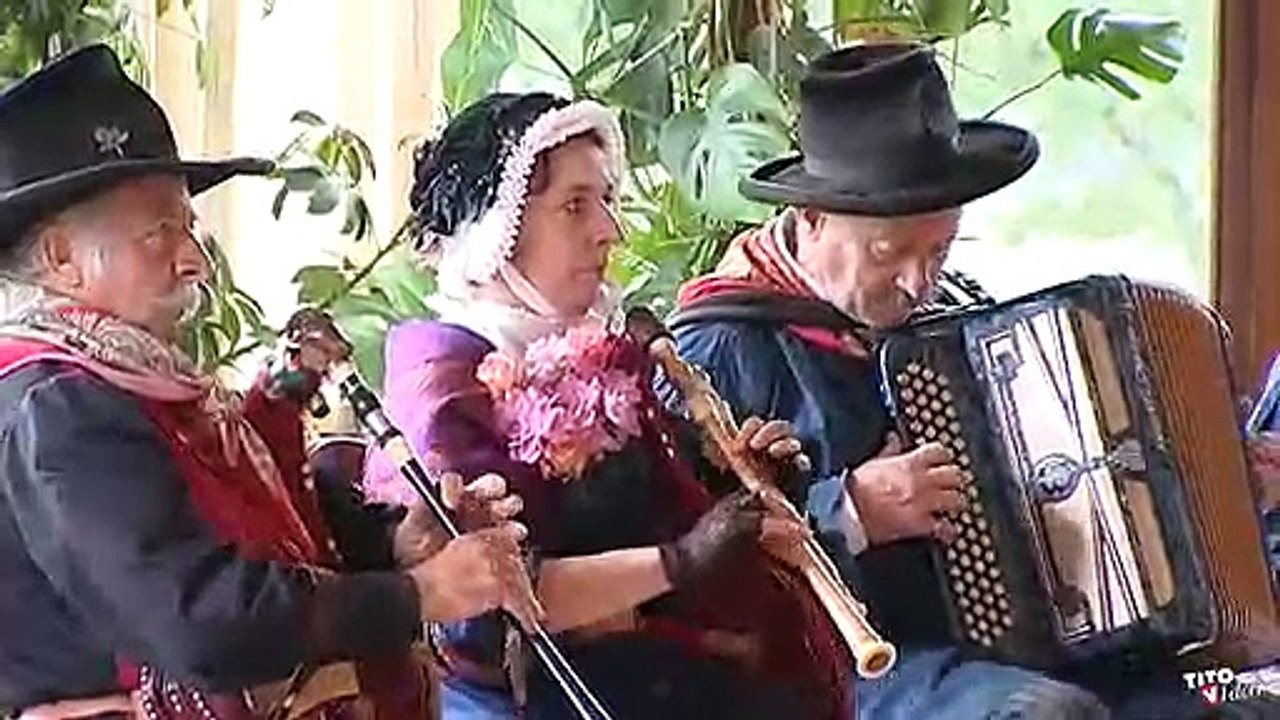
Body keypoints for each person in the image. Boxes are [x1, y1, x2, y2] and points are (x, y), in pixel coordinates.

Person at [667, 42, 1280, 719]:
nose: (916, 280)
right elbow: (688, 568)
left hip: (1025, 648)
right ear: (811, 220)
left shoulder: (962, 316)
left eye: (938, 249)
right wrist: (851, 512)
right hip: (852, 667)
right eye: (888, 252)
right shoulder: (715, 349)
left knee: (1241, 705)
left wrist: (1219, 485)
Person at [0, 44, 542, 719]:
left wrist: (395, 544)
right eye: (160, 233)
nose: (195, 260)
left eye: (190, 229)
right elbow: (198, 616)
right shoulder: (54, 406)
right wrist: (421, 593)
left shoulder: (127, 381)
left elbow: (260, 540)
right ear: (60, 258)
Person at [362, 91, 856, 719]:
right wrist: (684, 560)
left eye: (608, 201)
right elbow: (488, 609)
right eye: (575, 206)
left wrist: (729, 486)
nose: (609, 232)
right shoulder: (440, 381)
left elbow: (644, 513)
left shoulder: (600, 349)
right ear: (498, 231)